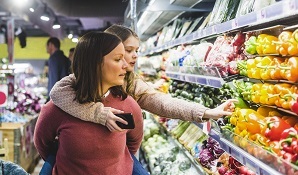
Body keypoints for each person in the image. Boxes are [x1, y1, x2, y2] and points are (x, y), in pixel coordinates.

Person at [50, 24, 236, 132]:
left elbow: (162, 102)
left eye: (136, 51)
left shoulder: (130, 83)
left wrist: (206, 112)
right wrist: (98, 113)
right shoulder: (80, 81)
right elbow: (58, 93)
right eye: (127, 51)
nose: (134, 56)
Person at [34, 32, 145, 175]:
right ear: (95, 64)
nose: (125, 65)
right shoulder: (56, 108)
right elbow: (43, 144)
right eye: (118, 59)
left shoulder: (127, 104)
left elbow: (133, 144)